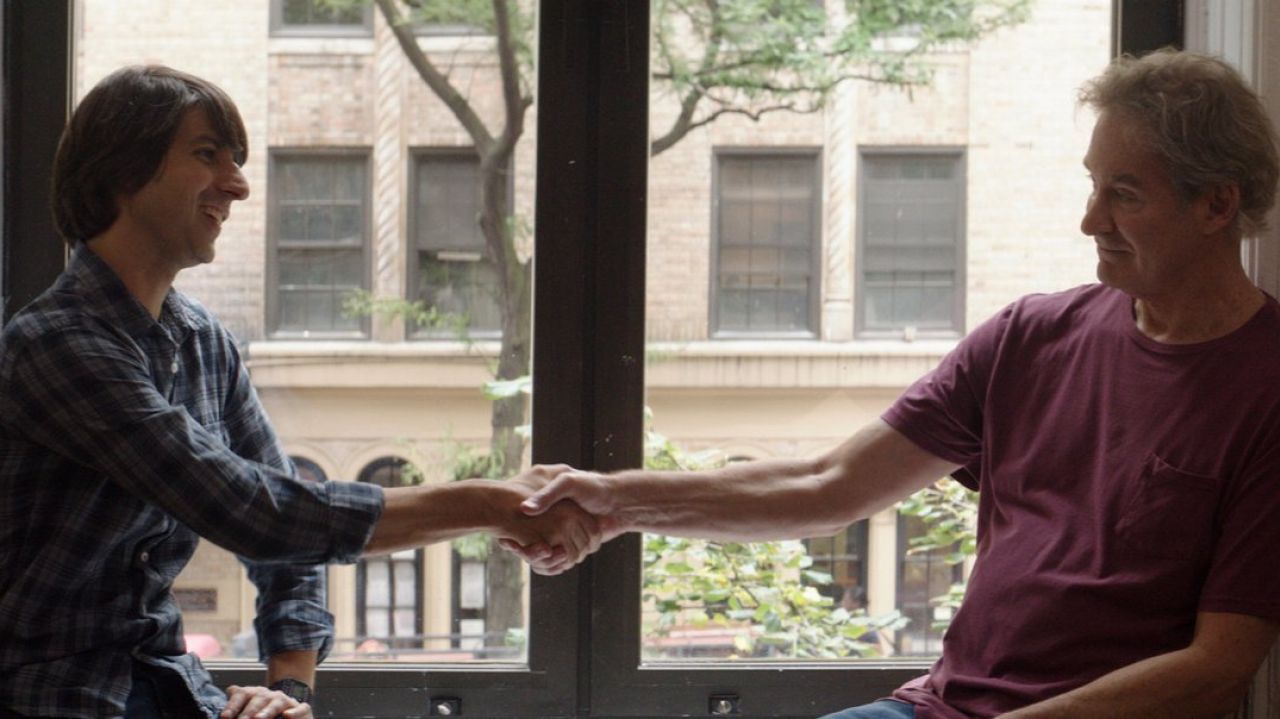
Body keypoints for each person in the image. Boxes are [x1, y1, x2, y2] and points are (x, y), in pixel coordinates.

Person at [511, 49, 1280, 718]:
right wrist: (613, 502)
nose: (1089, 220)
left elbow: (1216, 668)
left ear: (1217, 204)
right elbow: (829, 482)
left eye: (1126, 194)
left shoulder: (1267, 390)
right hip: (937, 707)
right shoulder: (1032, 337)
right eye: (1093, 184)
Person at [0, 65, 597, 719]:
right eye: (208, 155)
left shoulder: (205, 342)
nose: (239, 185)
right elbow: (257, 512)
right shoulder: (56, 344)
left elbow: (282, 536)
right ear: (122, 170)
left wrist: (287, 690)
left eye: (237, 161)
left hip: (169, 685)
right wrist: (491, 502)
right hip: (48, 696)